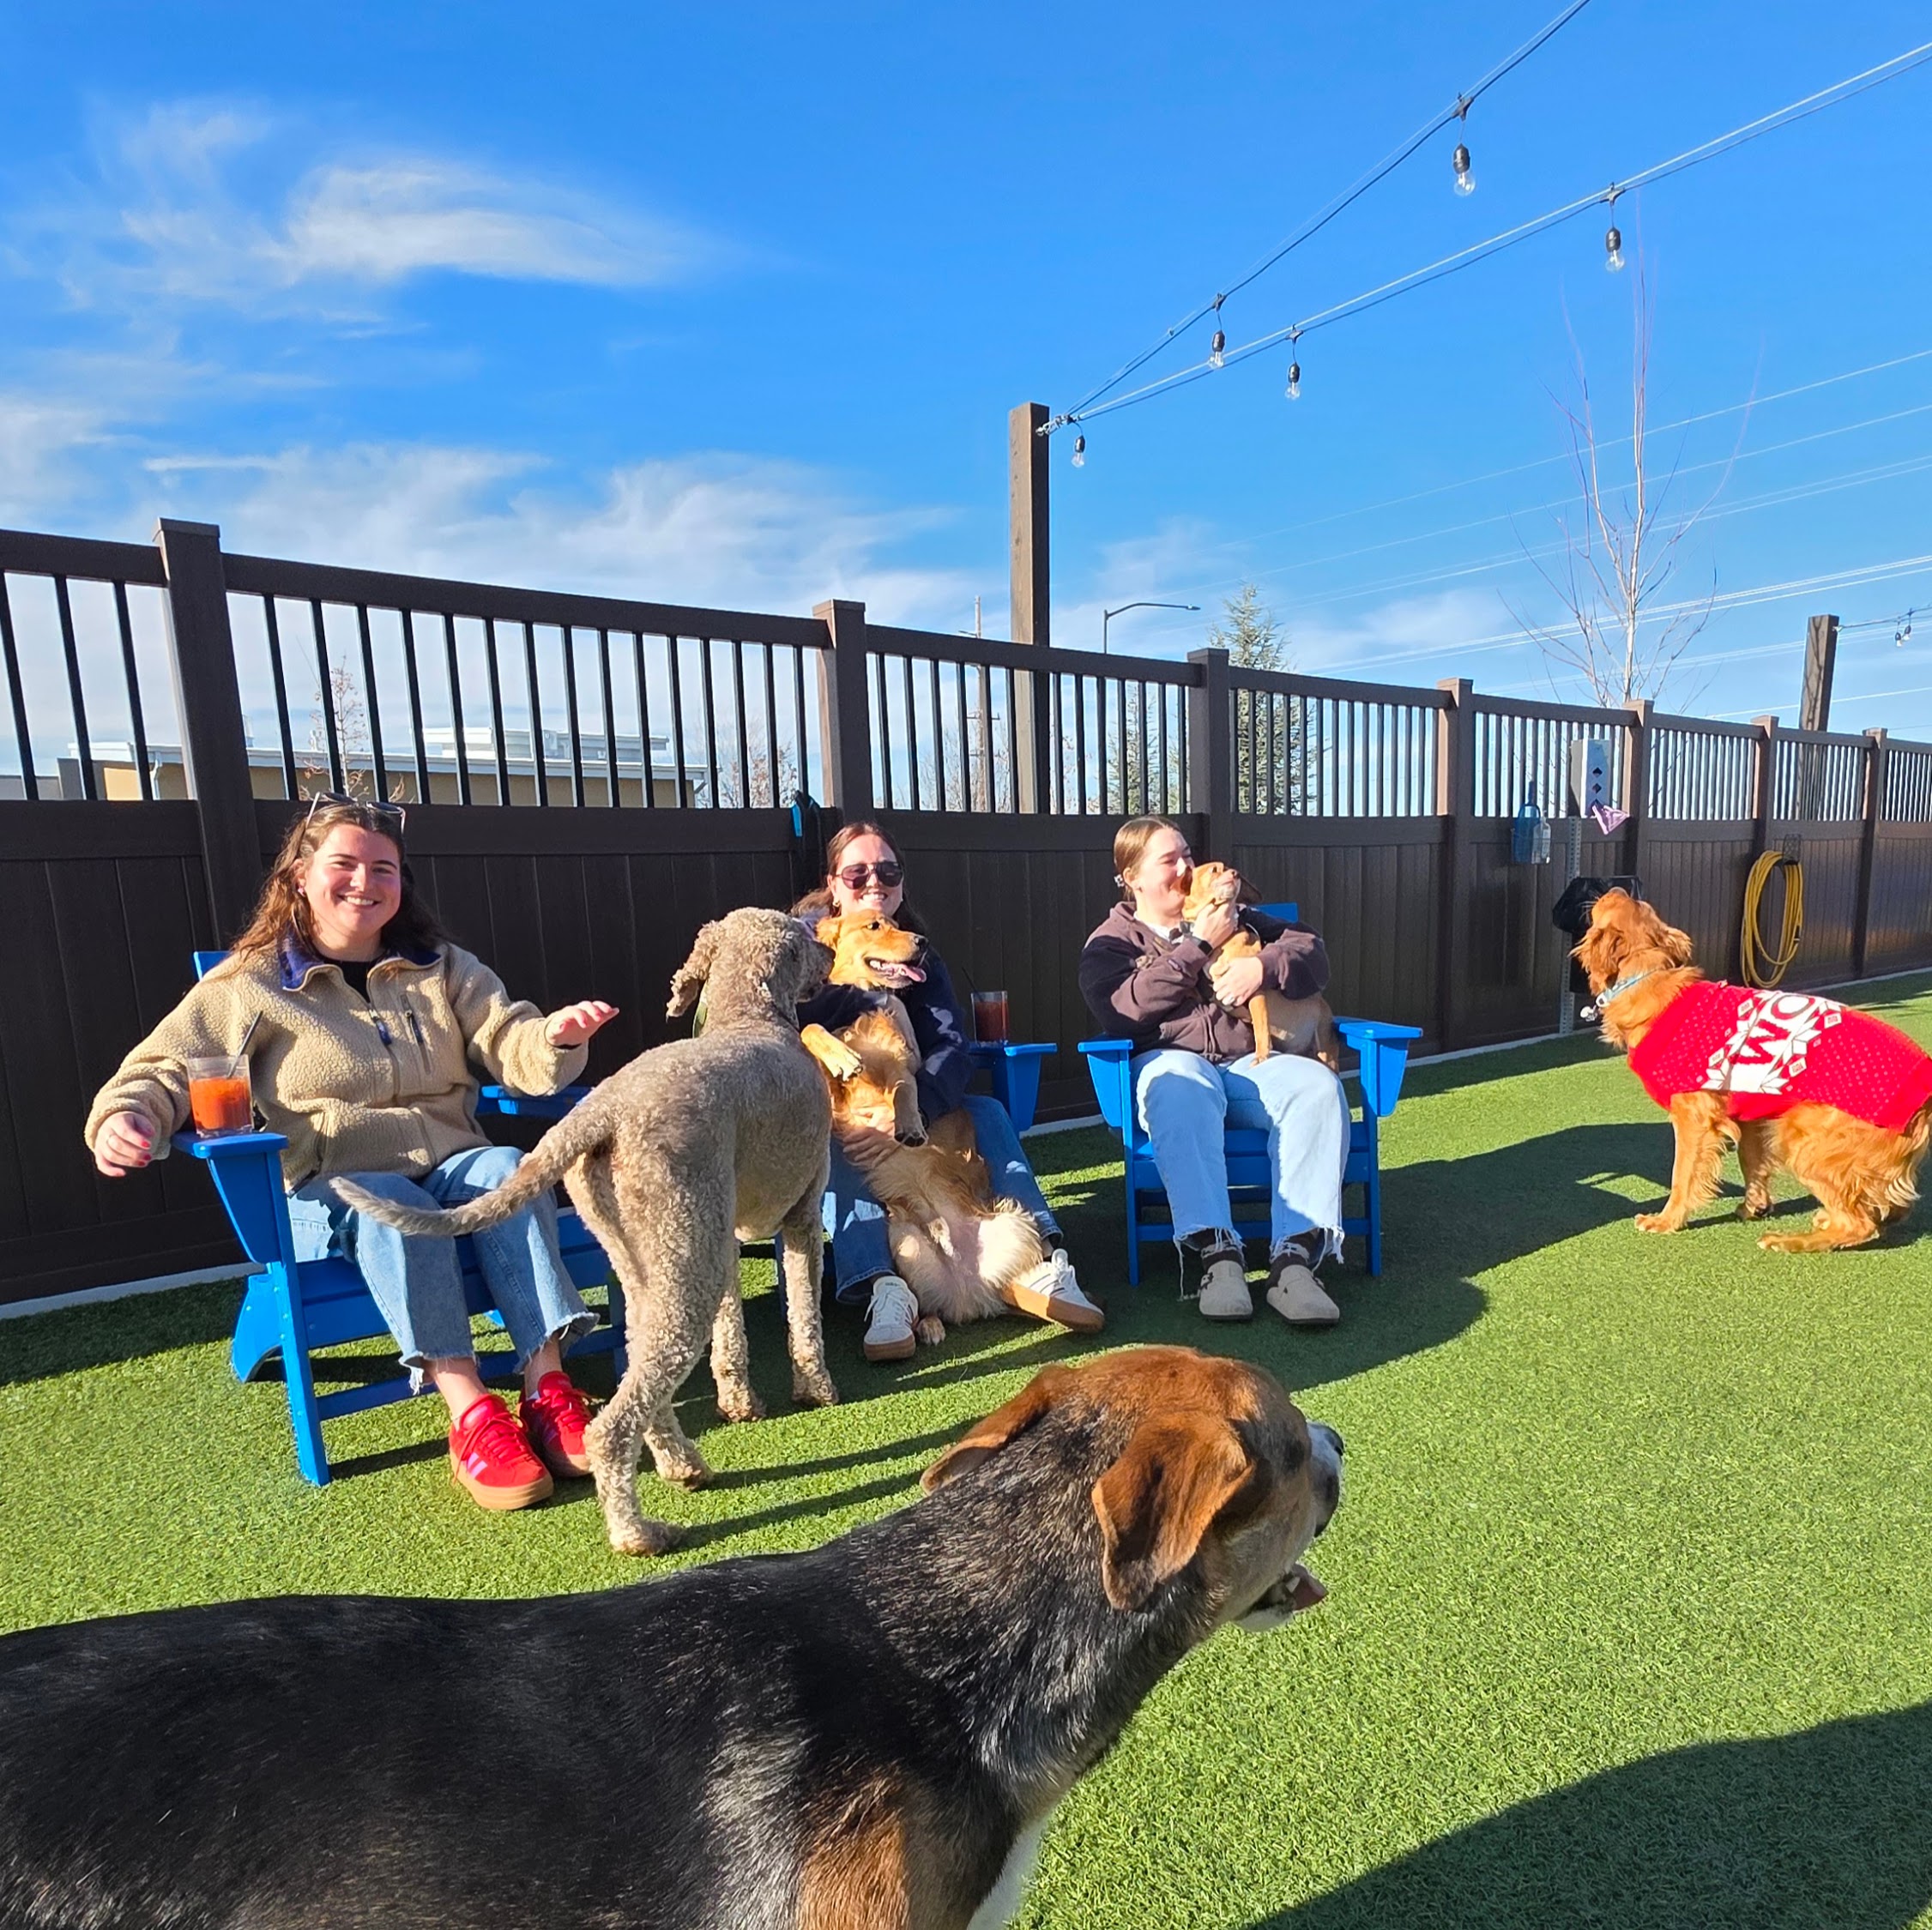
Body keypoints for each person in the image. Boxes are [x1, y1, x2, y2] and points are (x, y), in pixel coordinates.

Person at [85, 793, 619, 1512]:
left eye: (383, 869)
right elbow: (166, 1069)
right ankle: (470, 1411)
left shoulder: (441, 968)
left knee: (505, 1172)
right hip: (328, 1186)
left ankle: (547, 1387)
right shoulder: (251, 984)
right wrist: (128, 1116)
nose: (364, 883)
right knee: (392, 1201)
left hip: (449, 1163)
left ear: (401, 883)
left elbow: (509, 1041)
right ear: (300, 876)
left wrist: (554, 1038)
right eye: (344, 864)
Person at [793, 820, 1102, 1360]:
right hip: (831, 1113)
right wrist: (868, 1003)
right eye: (858, 873)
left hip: (910, 1108)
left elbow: (951, 1046)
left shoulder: (918, 958)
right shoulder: (802, 945)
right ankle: (881, 1287)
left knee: (987, 1110)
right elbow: (781, 1016)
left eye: (889, 871)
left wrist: (911, 1112)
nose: (875, 882)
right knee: (835, 1142)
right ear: (834, 884)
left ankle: (1046, 1261)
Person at [1078, 815, 1349, 1327]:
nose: (1186, 867)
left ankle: (1294, 1261)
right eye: (1169, 860)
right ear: (1133, 877)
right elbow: (1125, 1010)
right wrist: (1198, 946)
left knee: (1316, 1086)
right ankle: (1218, 1256)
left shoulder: (1238, 915)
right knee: (1179, 1084)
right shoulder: (1112, 943)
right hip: (1171, 1059)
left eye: (1187, 854)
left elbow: (1312, 954)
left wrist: (1262, 968)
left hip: (1249, 1062)